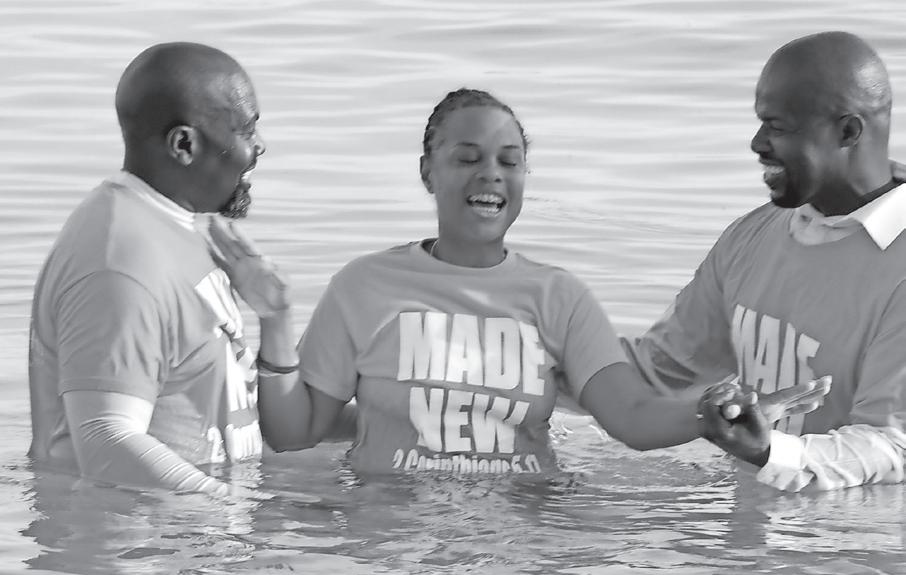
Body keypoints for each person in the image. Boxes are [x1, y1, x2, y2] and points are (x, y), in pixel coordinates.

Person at [212, 88, 828, 476]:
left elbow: (631, 417)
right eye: (468, 158)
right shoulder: (364, 286)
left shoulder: (558, 296)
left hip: (527, 530)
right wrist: (276, 320)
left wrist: (713, 414)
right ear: (427, 172)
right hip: (392, 538)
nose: (492, 175)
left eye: (510, 162)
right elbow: (293, 433)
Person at [626, 31, 906, 492]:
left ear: (848, 132)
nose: (757, 143)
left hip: (859, 534)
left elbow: (893, 447)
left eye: (778, 127)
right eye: (761, 123)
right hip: (750, 525)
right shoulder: (753, 236)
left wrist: (769, 451)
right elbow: (662, 371)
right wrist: (531, 357)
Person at [28, 42, 279, 496]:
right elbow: (107, 439)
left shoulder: (176, 228)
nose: (259, 145)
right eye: (246, 129)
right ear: (184, 144)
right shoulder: (119, 260)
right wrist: (236, 510)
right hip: (136, 538)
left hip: (191, 530)